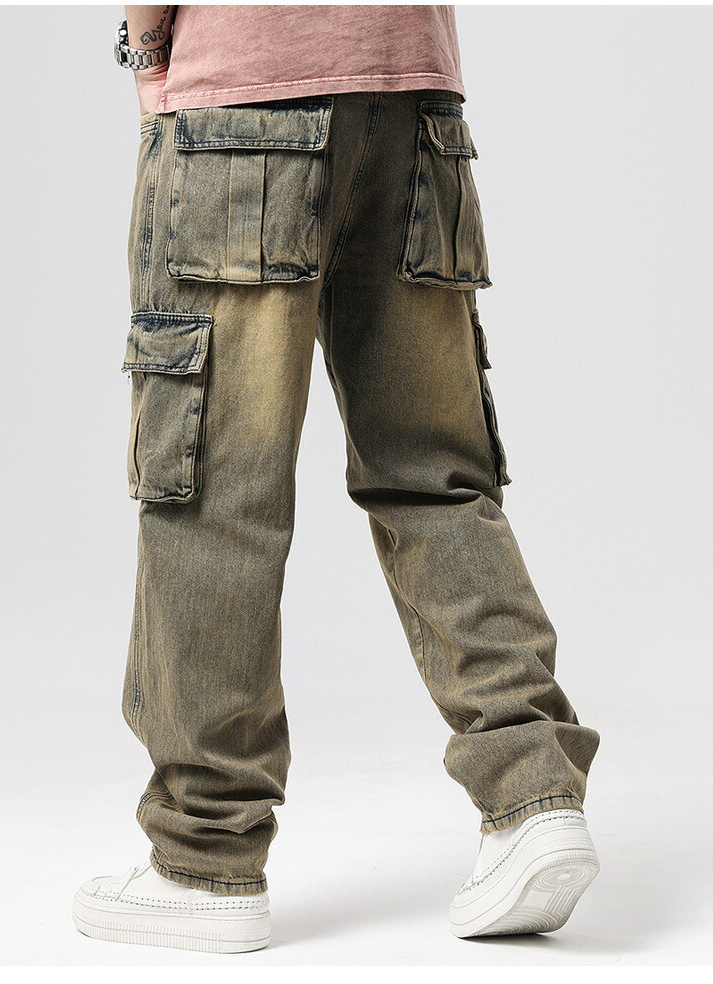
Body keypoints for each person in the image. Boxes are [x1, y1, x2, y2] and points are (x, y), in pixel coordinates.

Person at [73, 4, 601, 952]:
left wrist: (147, 51)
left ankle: (205, 855)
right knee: (435, 476)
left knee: (214, 489)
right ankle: (534, 798)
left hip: (244, 95)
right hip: (412, 92)